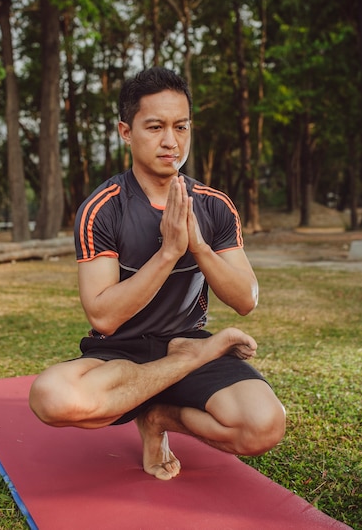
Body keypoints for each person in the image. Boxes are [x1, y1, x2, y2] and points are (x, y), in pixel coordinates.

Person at [29, 67, 286, 480]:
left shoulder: (215, 205)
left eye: (181, 126)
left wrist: (198, 246)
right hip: (121, 352)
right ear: (126, 132)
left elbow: (245, 300)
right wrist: (168, 253)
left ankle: (160, 416)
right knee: (52, 398)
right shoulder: (103, 207)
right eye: (155, 126)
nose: (171, 141)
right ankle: (186, 364)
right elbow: (103, 317)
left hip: (185, 338)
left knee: (264, 425)